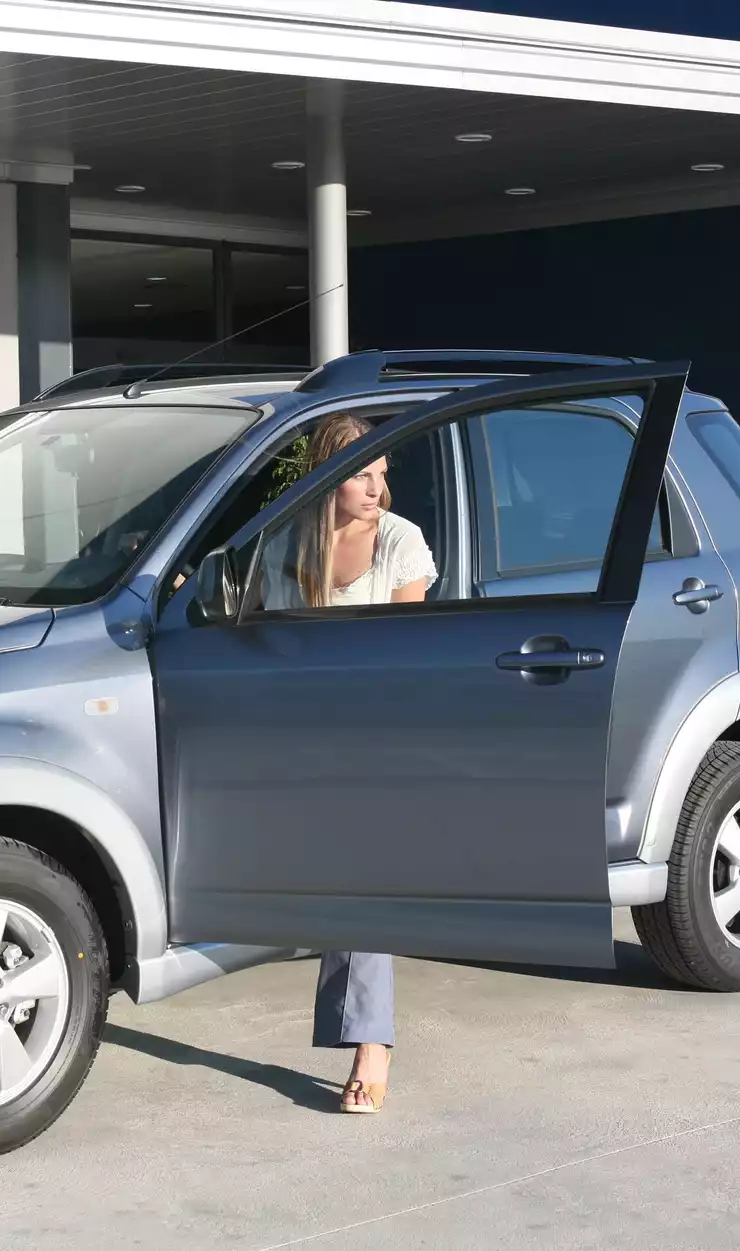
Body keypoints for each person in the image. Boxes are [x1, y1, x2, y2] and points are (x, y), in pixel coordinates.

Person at [282, 412, 437, 1113]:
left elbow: (403, 657)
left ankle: (371, 1043)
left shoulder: (400, 542)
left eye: (381, 473)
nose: (376, 487)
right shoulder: (291, 543)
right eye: (361, 474)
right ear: (328, 477)